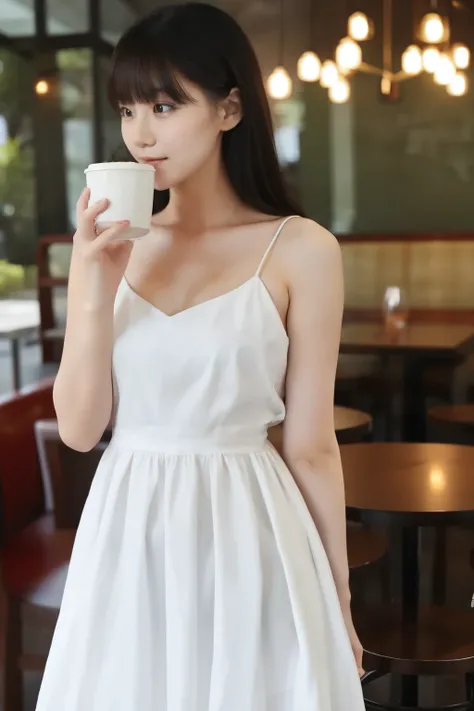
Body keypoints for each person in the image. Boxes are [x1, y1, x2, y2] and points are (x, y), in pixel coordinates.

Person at [35, 3, 366, 710]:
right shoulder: (113, 248)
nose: (140, 134)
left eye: (163, 104)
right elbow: (80, 429)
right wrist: (92, 285)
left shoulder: (302, 249)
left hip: (249, 527)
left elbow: (310, 445)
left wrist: (336, 590)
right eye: (127, 110)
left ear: (229, 108)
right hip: (128, 529)